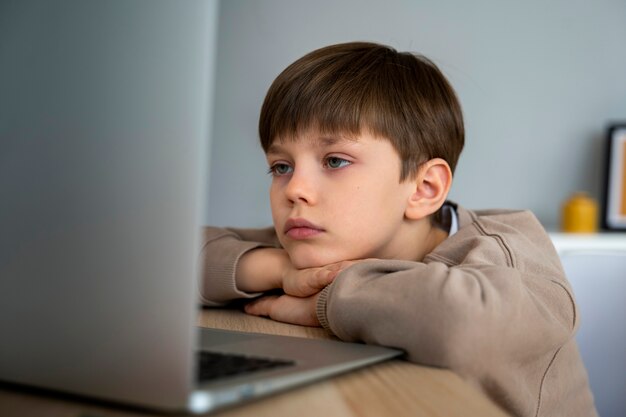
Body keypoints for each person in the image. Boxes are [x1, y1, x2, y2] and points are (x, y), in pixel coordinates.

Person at [199, 42, 597, 417]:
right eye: (281, 167)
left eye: (335, 161)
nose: (295, 189)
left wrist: (324, 302)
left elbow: (465, 326)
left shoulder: (508, 246)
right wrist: (275, 270)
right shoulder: (315, 244)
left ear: (424, 189)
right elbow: (162, 257)